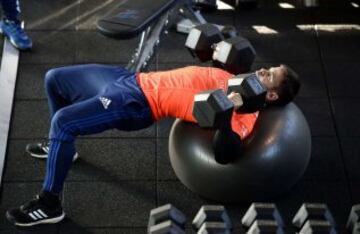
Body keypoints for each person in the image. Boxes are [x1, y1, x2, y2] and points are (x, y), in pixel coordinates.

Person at [6, 64, 300, 226]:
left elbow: (226, 154)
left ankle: (49, 203)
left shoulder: (244, 114)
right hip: (128, 79)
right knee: (54, 78)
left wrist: (225, 115)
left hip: (137, 103)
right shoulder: (235, 78)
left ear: (272, 96)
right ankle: (60, 151)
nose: (263, 69)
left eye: (269, 74)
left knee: (64, 122)